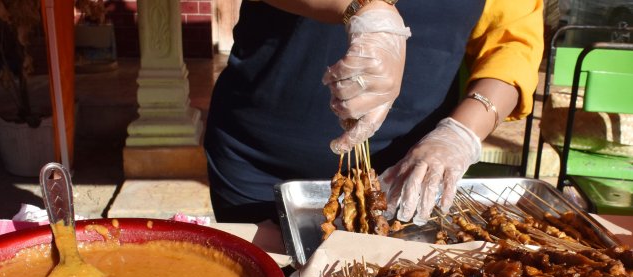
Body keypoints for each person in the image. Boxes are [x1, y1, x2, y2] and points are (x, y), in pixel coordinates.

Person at [203, 0, 544, 224]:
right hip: (258, 166)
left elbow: (511, 44)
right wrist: (361, 9)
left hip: (399, 177)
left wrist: (461, 132)